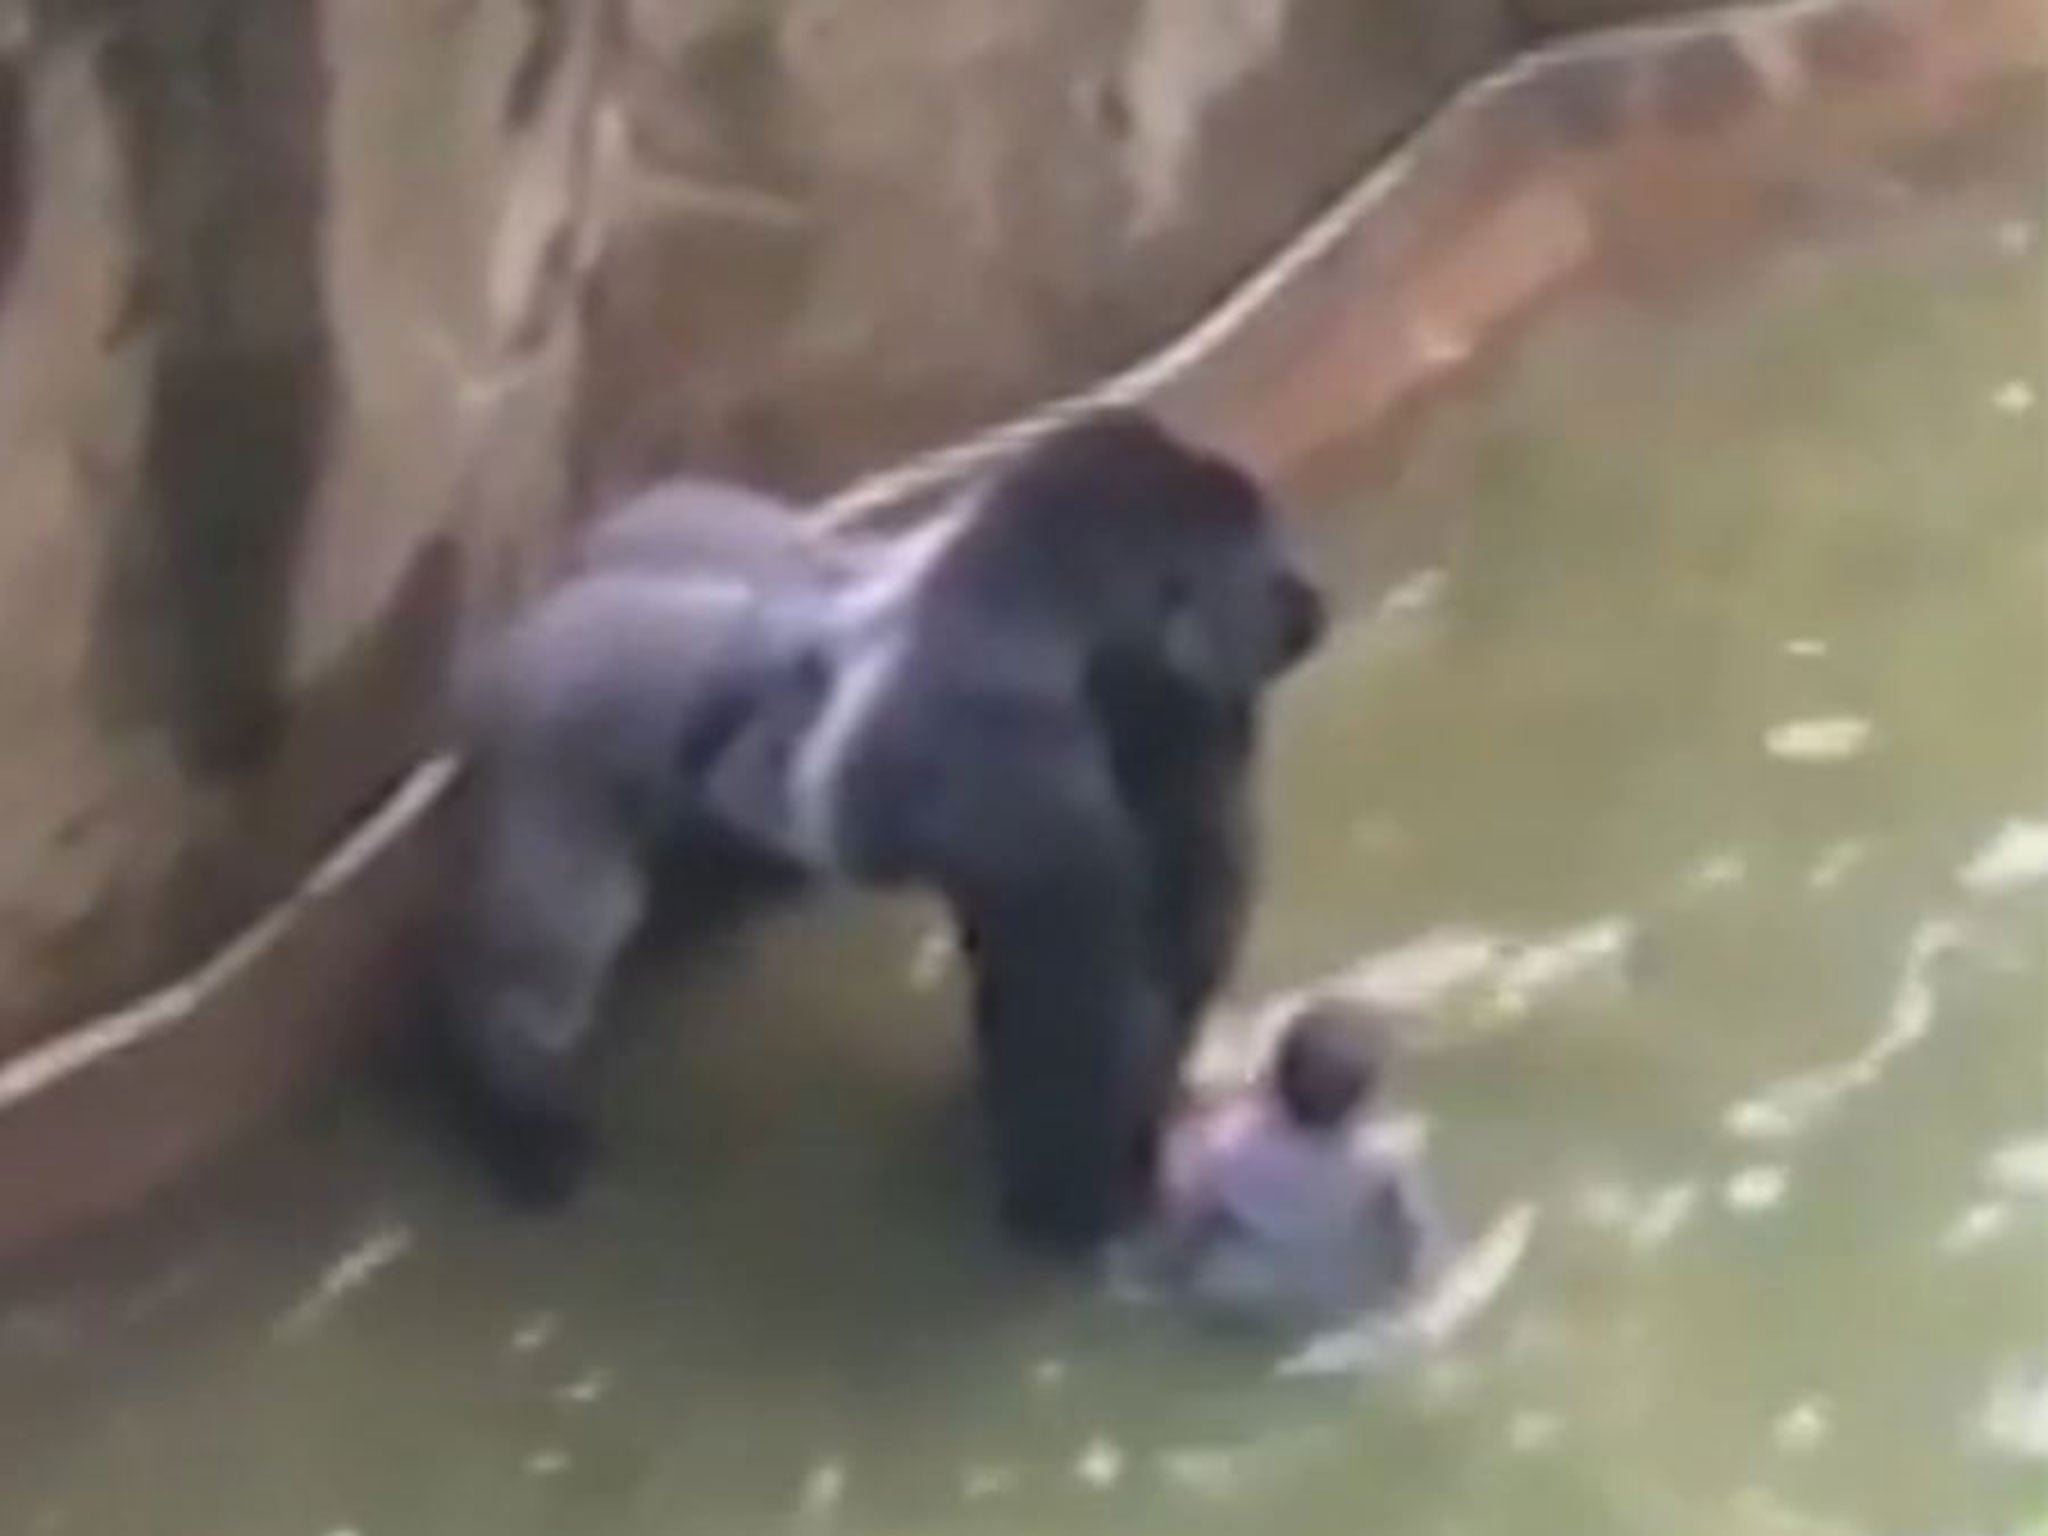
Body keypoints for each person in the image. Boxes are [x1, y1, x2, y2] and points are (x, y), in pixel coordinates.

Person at [1134, 1001, 1446, 1331]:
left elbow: (1187, 1216)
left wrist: (1163, 1277)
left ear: (1274, 1079)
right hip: (1322, 1300)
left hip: (1234, 1290)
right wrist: (1414, 1292)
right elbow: (1412, 1235)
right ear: (1365, 1099)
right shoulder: (1381, 1157)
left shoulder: (1226, 1142)